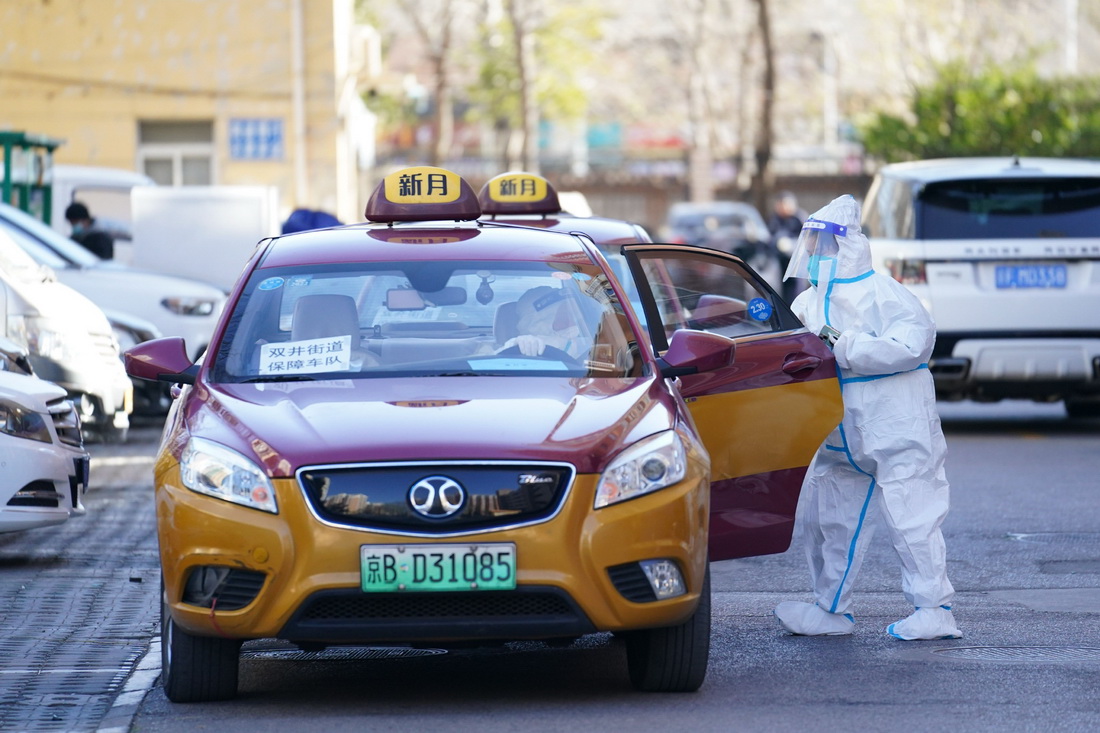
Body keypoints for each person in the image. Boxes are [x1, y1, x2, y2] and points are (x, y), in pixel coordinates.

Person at [773, 194, 962, 641]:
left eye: (823, 243)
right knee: (829, 524)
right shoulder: (807, 302)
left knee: (913, 518)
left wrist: (844, 344)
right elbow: (783, 348)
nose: (816, 253)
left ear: (848, 245)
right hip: (839, 437)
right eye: (812, 243)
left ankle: (933, 610)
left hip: (898, 431)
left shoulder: (886, 293)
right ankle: (830, 608)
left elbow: (913, 344)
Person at [498, 285, 587, 360]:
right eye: (564, 318)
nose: (572, 322)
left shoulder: (587, 341)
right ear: (539, 322)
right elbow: (487, 362)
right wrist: (513, 348)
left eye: (573, 314)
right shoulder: (517, 345)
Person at [767, 191, 806, 303]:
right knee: (782, 290)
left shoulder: (799, 218)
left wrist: (791, 245)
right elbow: (771, 236)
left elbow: (808, 240)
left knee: (796, 290)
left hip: (796, 262)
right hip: (780, 261)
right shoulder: (775, 219)